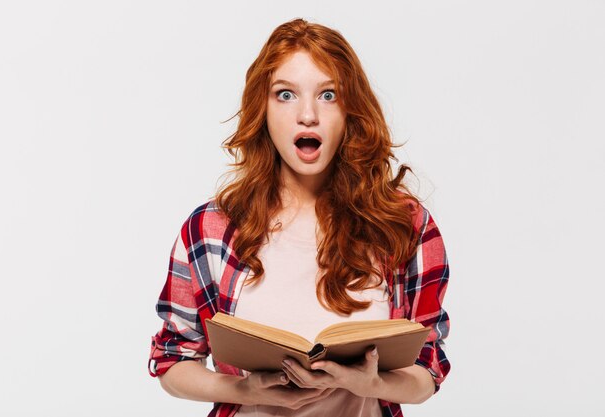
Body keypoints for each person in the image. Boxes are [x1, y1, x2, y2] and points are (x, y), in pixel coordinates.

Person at [148, 18, 450, 417]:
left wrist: (371, 384)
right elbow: (172, 361)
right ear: (263, 109)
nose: (307, 115)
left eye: (328, 95)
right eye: (285, 94)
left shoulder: (403, 226)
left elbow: (427, 371)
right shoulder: (211, 229)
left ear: (351, 110)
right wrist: (248, 390)